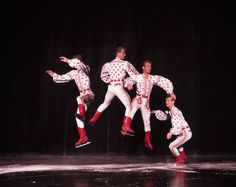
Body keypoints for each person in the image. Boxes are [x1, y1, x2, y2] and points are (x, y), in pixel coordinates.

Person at [125, 60, 175, 150]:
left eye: (150, 66)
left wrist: (171, 91)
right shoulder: (138, 77)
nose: (149, 68)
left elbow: (164, 82)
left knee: (147, 121)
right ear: (143, 67)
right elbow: (129, 79)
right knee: (131, 110)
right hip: (138, 98)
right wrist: (129, 84)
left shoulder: (152, 78)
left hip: (146, 102)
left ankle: (147, 139)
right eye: (147, 66)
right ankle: (126, 127)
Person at [46, 55, 94, 148]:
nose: (76, 63)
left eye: (76, 61)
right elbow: (62, 78)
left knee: (78, 99)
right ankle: (83, 137)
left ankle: (82, 115)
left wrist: (68, 60)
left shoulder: (85, 68)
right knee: (77, 117)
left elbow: (79, 64)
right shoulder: (74, 73)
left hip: (89, 95)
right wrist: (53, 74)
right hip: (83, 99)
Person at [88, 46, 139, 136]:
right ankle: (125, 126)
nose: (125, 54)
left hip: (110, 87)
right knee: (128, 105)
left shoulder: (108, 64)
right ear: (118, 53)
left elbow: (103, 76)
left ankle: (93, 119)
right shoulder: (125, 63)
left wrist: (111, 81)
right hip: (118, 87)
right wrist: (129, 83)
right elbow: (136, 75)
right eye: (123, 52)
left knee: (105, 103)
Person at [152, 94, 192, 164]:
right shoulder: (173, 111)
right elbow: (166, 115)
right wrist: (155, 111)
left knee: (171, 146)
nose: (166, 102)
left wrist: (170, 132)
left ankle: (180, 160)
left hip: (185, 133)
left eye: (168, 100)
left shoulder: (175, 112)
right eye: (166, 100)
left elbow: (177, 126)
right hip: (185, 132)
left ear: (173, 102)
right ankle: (183, 156)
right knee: (178, 142)